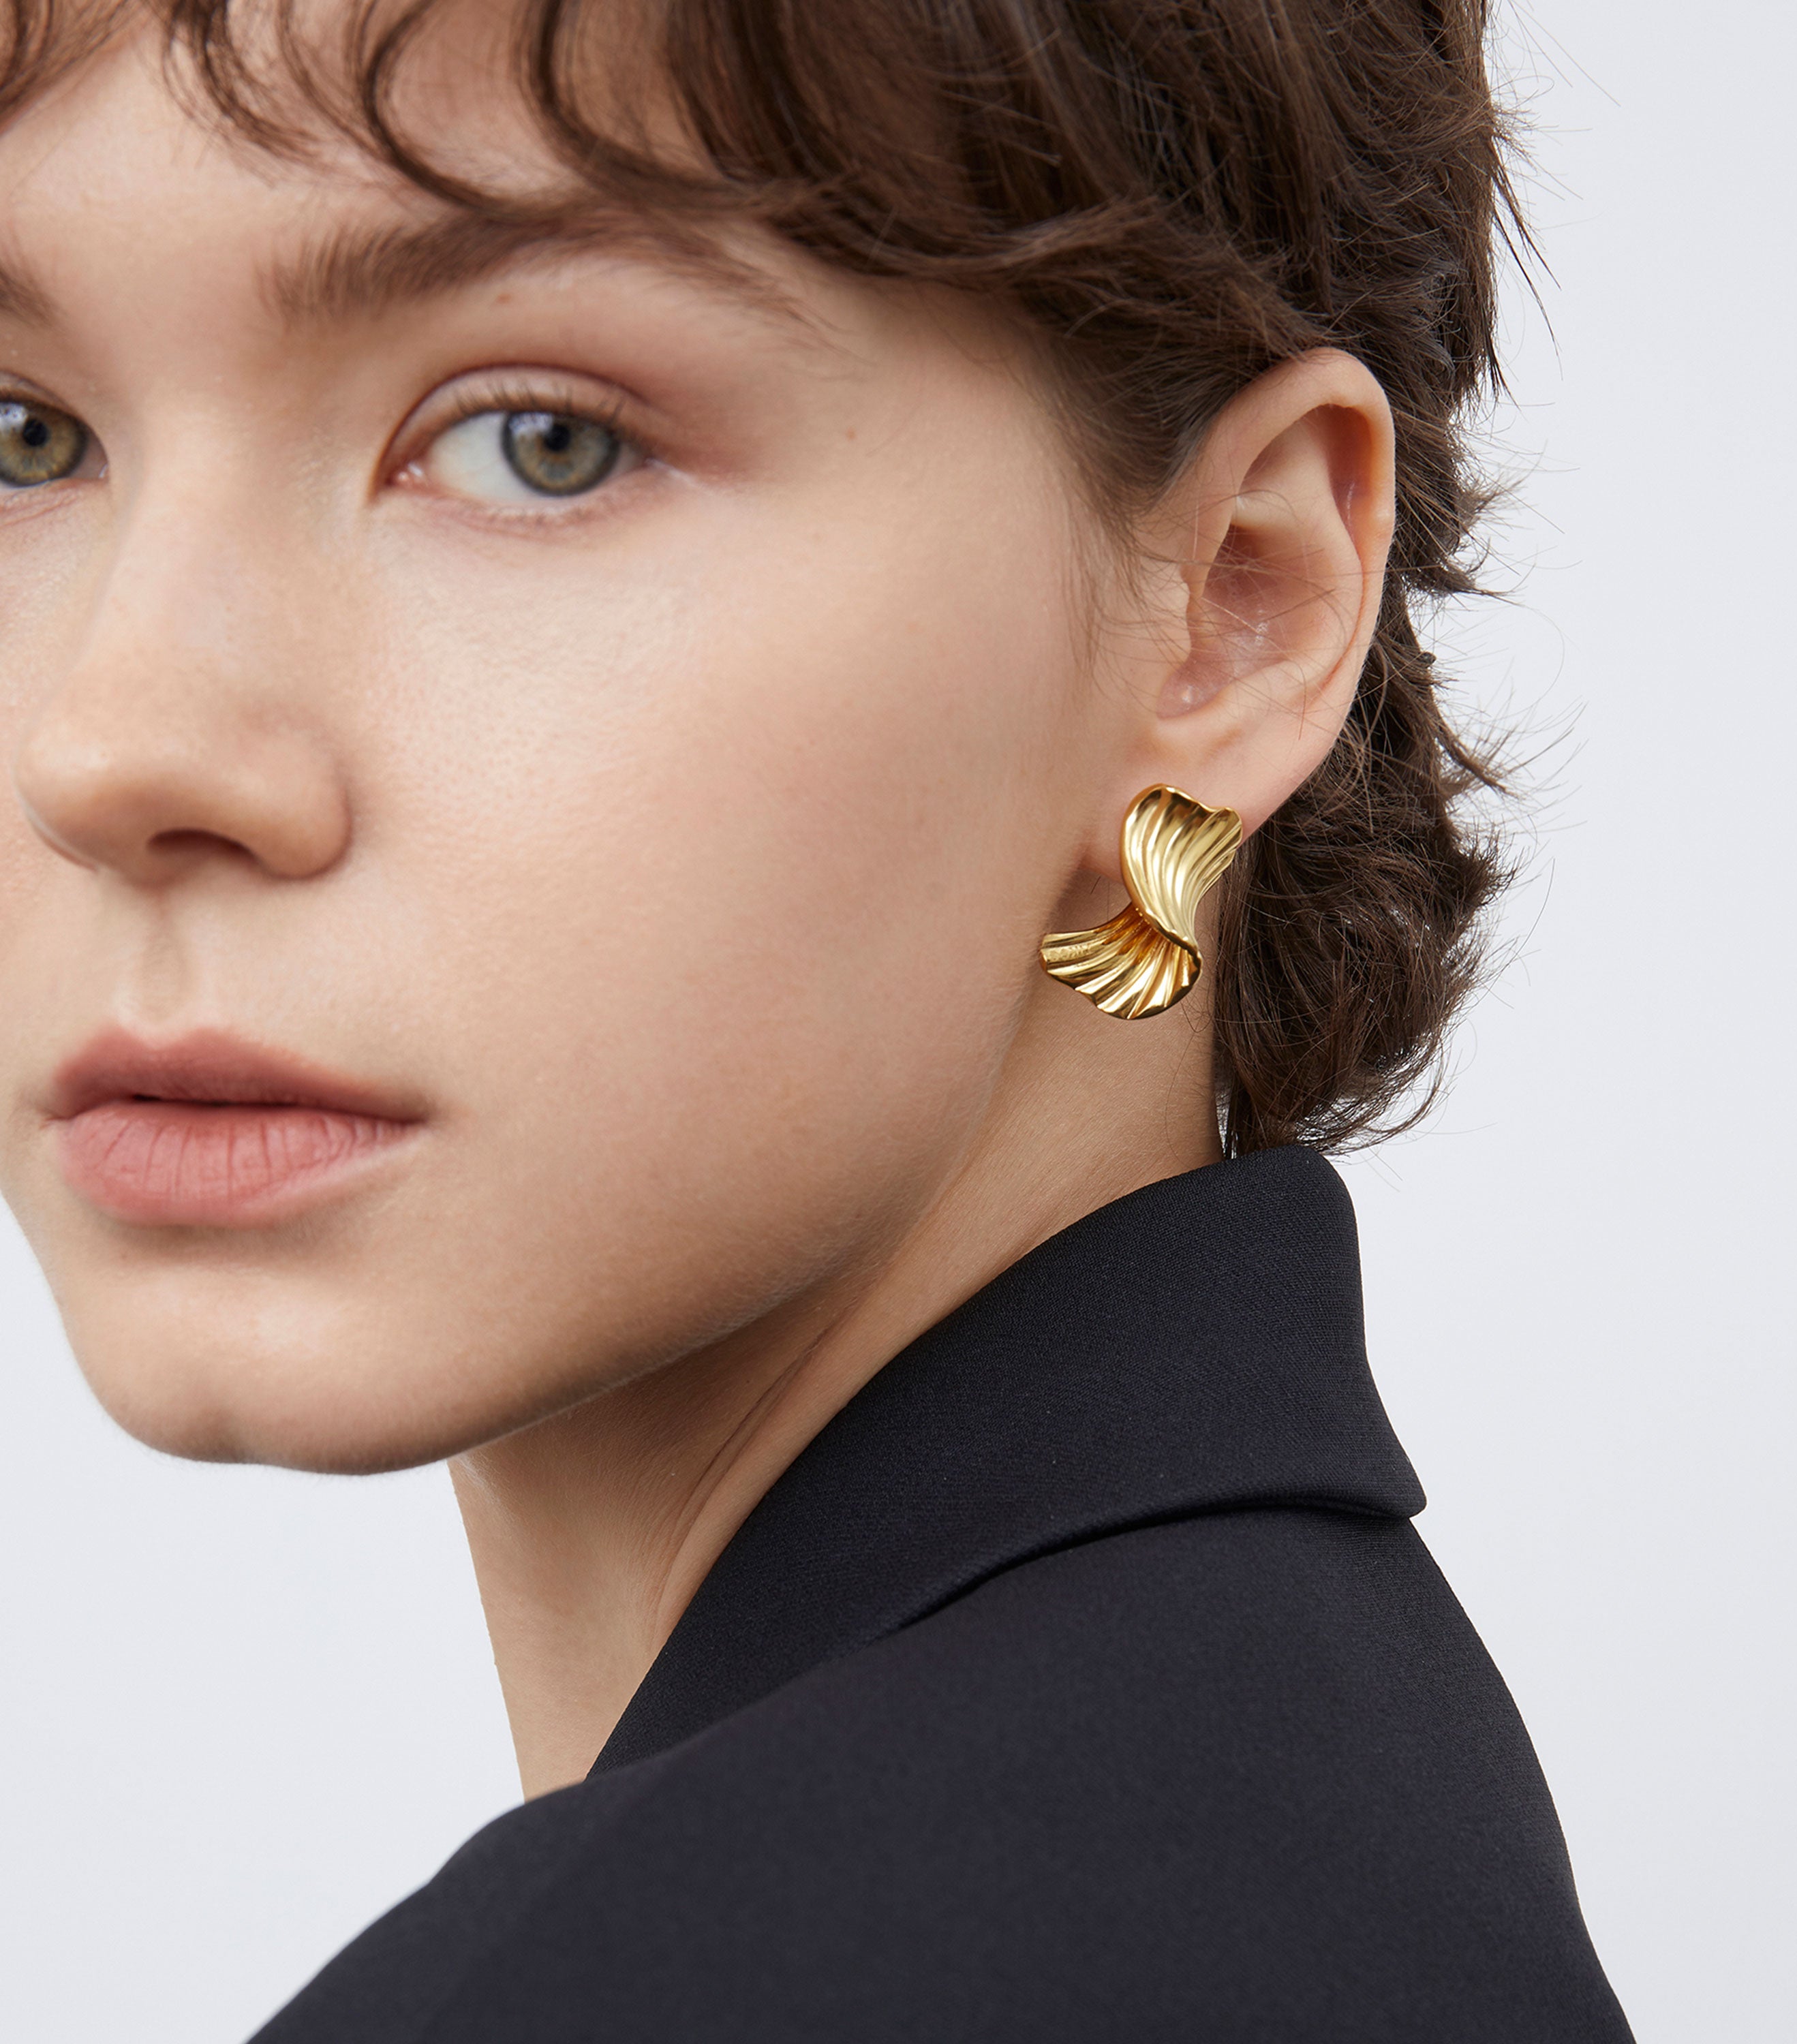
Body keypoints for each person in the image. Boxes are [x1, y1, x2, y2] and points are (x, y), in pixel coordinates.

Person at [0, 1, 1635, 2035]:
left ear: (1233, 606)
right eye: (22, 437)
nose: (113, 748)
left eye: (539, 440)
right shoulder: (1301, 1791)